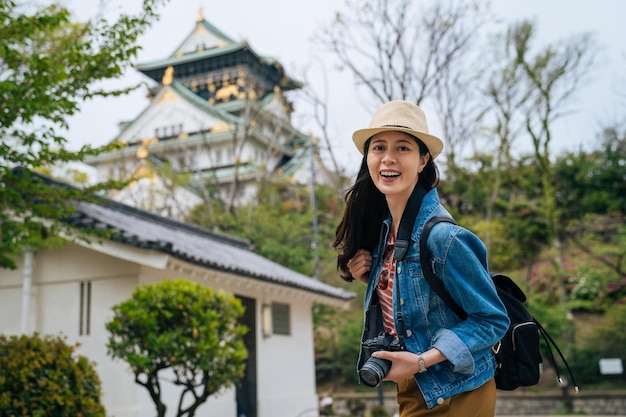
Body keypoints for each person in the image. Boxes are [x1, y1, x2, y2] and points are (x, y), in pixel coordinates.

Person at [332, 100, 510, 416]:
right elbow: (416, 305)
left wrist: (421, 360)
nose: (388, 158)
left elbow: (492, 319)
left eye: (402, 148)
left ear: (423, 160)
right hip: (417, 388)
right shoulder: (385, 234)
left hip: (458, 391)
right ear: (368, 157)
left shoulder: (443, 238)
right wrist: (373, 282)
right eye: (378, 148)